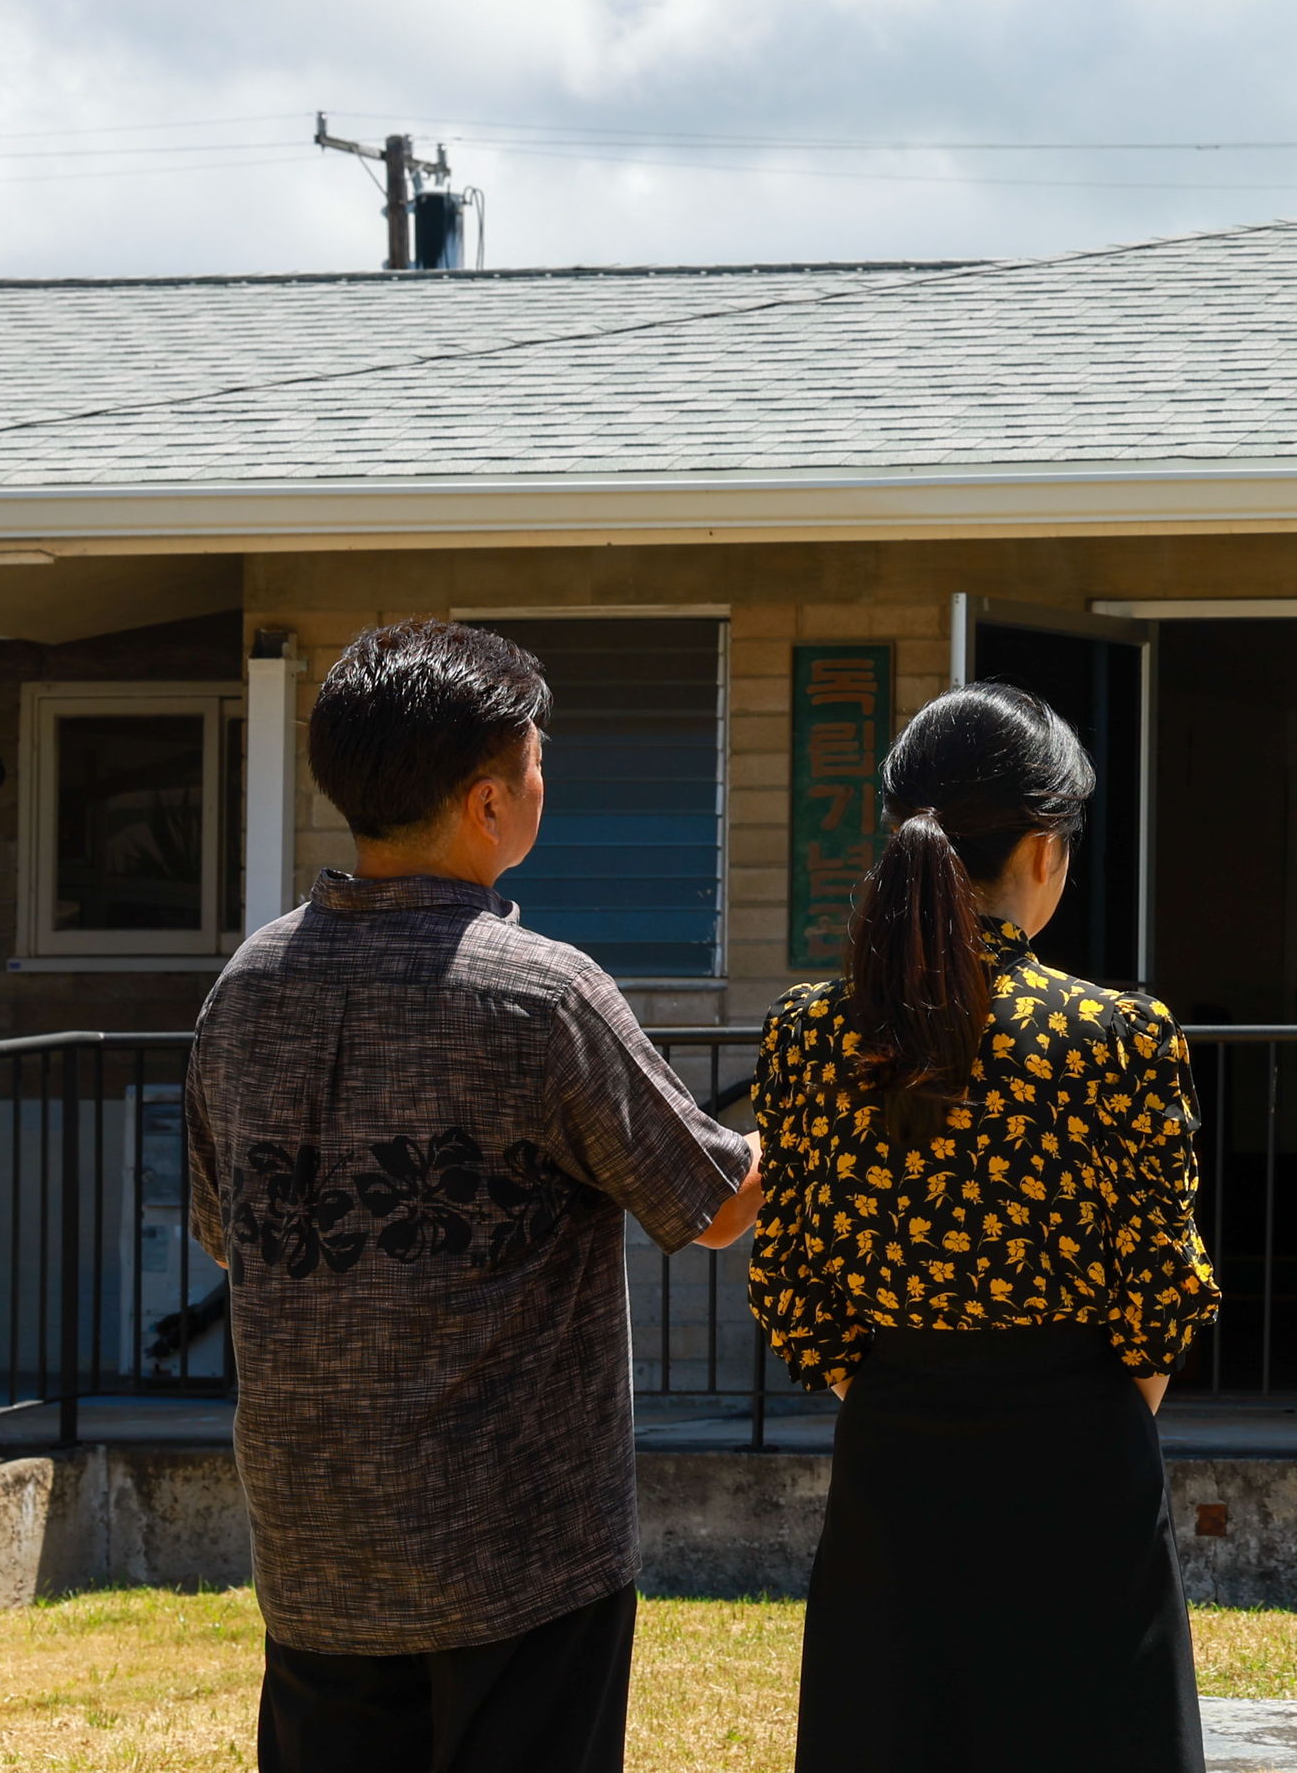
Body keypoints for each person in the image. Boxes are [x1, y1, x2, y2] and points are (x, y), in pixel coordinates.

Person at [186, 619, 763, 1773]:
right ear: (485, 804)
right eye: (537, 759)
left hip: (315, 1546)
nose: (547, 780)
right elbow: (713, 1202)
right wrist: (815, 1105)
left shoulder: (246, 987)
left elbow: (223, 1233)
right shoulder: (539, 991)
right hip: (521, 1545)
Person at [745, 683, 1222, 1773]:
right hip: (1081, 1456)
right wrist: (1091, 1409)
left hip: (894, 1456)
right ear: (1045, 848)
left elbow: (790, 1283)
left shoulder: (811, 1034)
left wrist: (900, 1386)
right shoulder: (1115, 1035)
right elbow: (1162, 1287)